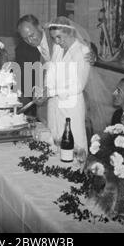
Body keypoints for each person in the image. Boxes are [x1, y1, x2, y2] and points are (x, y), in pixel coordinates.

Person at [16, 14, 96, 120]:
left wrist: (92, 53)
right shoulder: (22, 49)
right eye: (25, 39)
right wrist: (36, 93)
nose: (30, 41)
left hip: (70, 93)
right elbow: (27, 79)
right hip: (45, 100)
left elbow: (83, 43)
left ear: (39, 27)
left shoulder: (56, 33)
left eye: (32, 35)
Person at [36, 16, 91, 152]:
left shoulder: (83, 51)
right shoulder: (57, 48)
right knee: (54, 142)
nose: (57, 41)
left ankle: (76, 171)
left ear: (70, 32)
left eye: (60, 37)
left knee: (73, 143)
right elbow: (51, 70)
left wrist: (51, 92)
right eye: (54, 38)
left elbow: (78, 85)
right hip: (53, 104)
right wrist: (45, 89)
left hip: (71, 106)